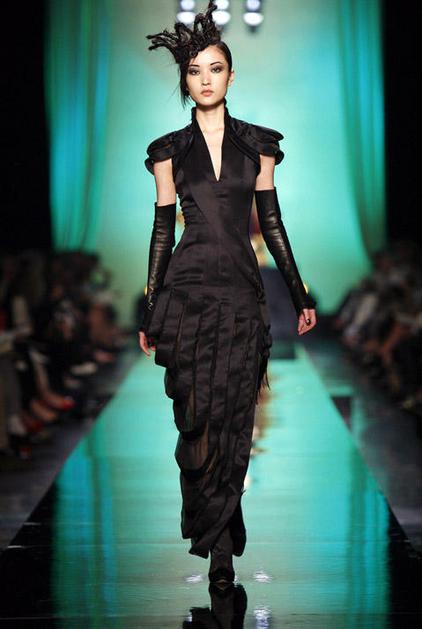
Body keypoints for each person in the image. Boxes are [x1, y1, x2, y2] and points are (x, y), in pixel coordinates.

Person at [138, 1, 317, 589]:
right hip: (187, 296)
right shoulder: (169, 152)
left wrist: (299, 292)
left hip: (241, 295)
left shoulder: (258, 147)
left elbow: (273, 224)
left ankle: (221, 550)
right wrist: (151, 305)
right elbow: (162, 232)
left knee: (236, 418)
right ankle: (218, 519)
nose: (205, 79)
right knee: (198, 420)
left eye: (215, 69)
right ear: (185, 81)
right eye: (195, 71)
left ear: (231, 76)